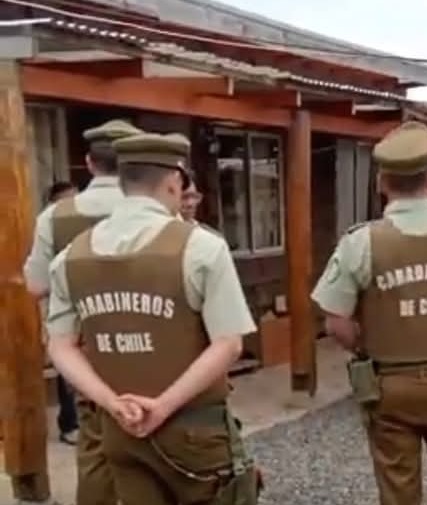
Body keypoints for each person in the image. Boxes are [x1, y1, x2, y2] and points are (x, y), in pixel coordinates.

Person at [46, 132, 260, 505]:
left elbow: (60, 346)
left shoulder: (69, 258)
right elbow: (229, 344)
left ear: (123, 184)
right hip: (195, 430)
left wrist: (111, 402)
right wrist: (161, 407)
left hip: (120, 429)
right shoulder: (202, 247)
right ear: (174, 182)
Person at [311, 121, 427, 505]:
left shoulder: (361, 242)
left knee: (398, 488)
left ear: (382, 183)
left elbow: (335, 321)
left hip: (390, 387)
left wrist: (369, 345)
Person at [24, 119, 142, 505]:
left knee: (95, 448)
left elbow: (36, 285)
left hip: (85, 345)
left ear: (89, 163)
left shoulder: (55, 216)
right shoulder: (157, 213)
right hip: (151, 338)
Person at [45, 181, 80, 445]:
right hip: (58, 303)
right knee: (65, 361)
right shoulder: (48, 225)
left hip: (88, 302)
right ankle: (69, 422)